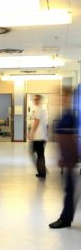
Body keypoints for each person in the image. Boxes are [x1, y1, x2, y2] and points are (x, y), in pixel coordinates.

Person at [49, 86, 78, 229]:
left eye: (64, 96)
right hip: (67, 158)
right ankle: (66, 217)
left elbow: (71, 139)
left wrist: (69, 159)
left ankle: (65, 219)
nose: (62, 99)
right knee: (70, 189)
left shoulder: (70, 116)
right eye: (61, 96)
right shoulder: (65, 114)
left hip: (70, 159)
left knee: (70, 189)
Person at [28, 94, 48, 178]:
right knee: (39, 154)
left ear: (40, 100)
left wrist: (32, 133)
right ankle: (42, 170)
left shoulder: (38, 110)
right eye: (34, 99)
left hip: (38, 137)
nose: (35, 101)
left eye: (37, 99)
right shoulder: (40, 110)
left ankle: (42, 171)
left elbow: (37, 122)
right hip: (40, 137)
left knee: (37, 154)